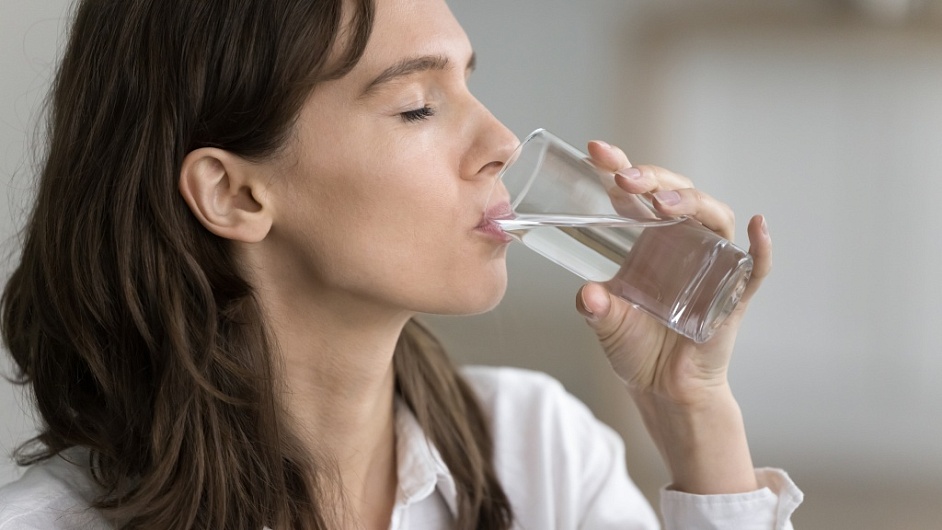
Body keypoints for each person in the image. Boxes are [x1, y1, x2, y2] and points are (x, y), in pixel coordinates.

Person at [0, 0, 803, 528]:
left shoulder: (538, 452)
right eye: (418, 105)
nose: (500, 144)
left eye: (469, 84)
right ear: (234, 193)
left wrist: (690, 413)